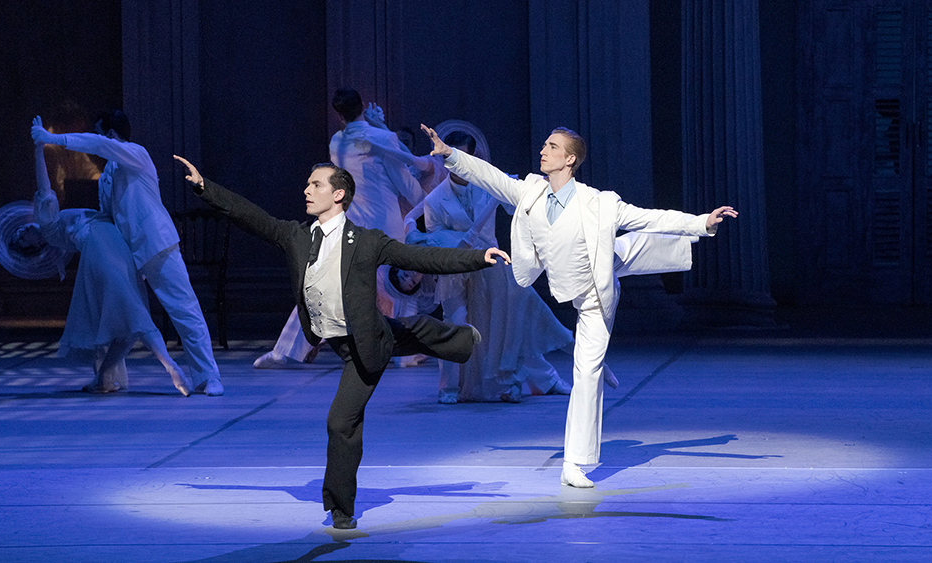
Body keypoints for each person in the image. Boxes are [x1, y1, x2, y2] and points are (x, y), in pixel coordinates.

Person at [172, 154, 509, 530]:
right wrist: (206, 188)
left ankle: (341, 507)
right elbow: (252, 217)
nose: (307, 189)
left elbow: (421, 257)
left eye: (316, 184)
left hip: (364, 345)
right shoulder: (296, 237)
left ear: (339, 194)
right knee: (402, 332)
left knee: (341, 420)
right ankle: (460, 339)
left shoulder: (367, 242)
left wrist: (479, 257)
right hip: (351, 336)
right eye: (308, 184)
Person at [422, 123, 737, 488]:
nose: (543, 150)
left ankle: (575, 462)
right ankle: (598, 363)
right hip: (569, 278)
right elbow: (489, 176)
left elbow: (650, 216)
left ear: (569, 159)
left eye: (552, 146)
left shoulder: (600, 202)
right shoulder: (531, 192)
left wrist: (702, 223)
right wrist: (450, 154)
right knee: (623, 252)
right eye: (544, 144)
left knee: (589, 361)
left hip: (596, 290)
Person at [31, 111, 223, 396]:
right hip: (130, 253)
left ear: (109, 133)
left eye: (100, 133)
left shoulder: (136, 154)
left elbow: (99, 145)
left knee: (184, 309)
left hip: (156, 244)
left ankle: (209, 377)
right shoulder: (108, 174)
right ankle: (106, 377)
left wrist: (53, 139)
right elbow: (108, 217)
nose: (99, 140)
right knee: (129, 317)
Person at [253, 89, 427, 369]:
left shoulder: (337, 141)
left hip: (353, 226)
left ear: (338, 115)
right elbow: (408, 187)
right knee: (395, 290)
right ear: (361, 107)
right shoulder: (382, 139)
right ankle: (404, 353)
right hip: (384, 227)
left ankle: (286, 351)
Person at [421, 130, 573, 404]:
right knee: (455, 322)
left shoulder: (486, 183)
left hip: (491, 265)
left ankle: (538, 379)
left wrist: (531, 190)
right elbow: (437, 242)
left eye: (466, 155)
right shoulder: (434, 200)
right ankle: (449, 387)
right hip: (455, 269)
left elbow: (516, 206)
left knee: (510, 321)